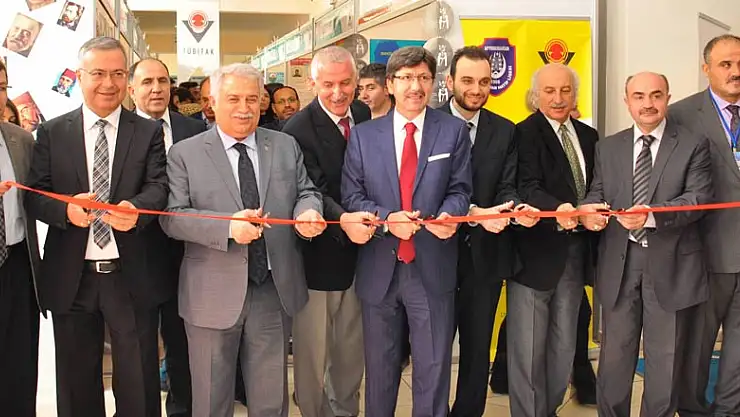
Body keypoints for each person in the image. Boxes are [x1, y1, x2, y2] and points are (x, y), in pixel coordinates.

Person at [160, 62, 326, 417]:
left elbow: (306, 191)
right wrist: (227, 228)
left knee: (270, 401)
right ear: (213, 102)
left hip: (272, 289)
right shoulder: (185, 153)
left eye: (252, 99)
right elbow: (172, 217)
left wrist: (307, 212)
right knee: (211, 399)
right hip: (210, 293)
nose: (244, 108)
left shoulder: (284, 145)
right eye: (233, 99)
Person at [25, 37, 168, 417]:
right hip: (72, 276)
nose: (109, 83)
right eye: (99, 73)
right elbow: (35, 194)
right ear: (80, 76)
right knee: (76, 384)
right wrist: (65, 210)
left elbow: (159, 186)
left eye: (118, 74)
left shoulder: (147, 131)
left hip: (130, 275)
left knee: (138, 381)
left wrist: (136, 209)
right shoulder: (53, 132)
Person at [341, 46, 472, 417]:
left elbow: (461, 190)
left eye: (423, 78)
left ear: (433, 83)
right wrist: (386, 218)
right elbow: (352, 195)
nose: (416, 86)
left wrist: (449, 214)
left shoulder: (452, 131)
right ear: (390, 84)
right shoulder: (364, 136)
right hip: (379, 266)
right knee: (380, 370)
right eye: (406, 78)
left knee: (433, 367)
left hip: (431, 264)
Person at [580, 71, 712, 417]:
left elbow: (697, 199)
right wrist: (589, 213)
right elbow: (598, 192)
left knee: (665, 360)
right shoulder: (608, 147)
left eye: (656, 95)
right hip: (619, 264)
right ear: (627, 101)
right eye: (639, 96)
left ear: (668, 98)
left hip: (672, 264)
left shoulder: (693, 144)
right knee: (614, 360)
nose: (648, 103)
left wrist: (651, 216)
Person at [438, 46, 540, 417]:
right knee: (434, 347)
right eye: (467, 80)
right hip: (437, 253)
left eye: (484, 82)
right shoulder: (429, 124)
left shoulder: (505, 130)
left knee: (478, 346)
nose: (476, 89)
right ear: (450, 81)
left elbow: (507, 185)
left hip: (486, 253)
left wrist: (513, 208)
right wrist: (470, 213)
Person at [282, 46, 372, 417]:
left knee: (351, 346)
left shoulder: (363, 114)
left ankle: (346, 409)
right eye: (328, 84)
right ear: (313, 83)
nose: (338, 93)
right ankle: (313, 410)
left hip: (363, 252)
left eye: (346, 83)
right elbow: (311, 189)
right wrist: (346, 220)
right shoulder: (298, 129)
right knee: (312, 349)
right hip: (319, 254)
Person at [511, 63, 599, 417]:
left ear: (575, 94)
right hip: (535, 255)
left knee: (564, 345)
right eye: (549, 91)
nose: (558, 98)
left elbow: (596, 186)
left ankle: (547, 409)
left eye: (565, 90)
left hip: (575, 254)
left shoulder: (589, 136)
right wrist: (557, 208)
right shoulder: (523, 133)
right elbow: (525, 185)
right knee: (529, 349)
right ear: (536, 96)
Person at [128, 57, 206, 417]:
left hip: (187, 251)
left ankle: (181, 408)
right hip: (139, 250)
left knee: (182, 340)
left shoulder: (194, 129)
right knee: (140, 343)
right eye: (147, 82)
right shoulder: (123, 130)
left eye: (162, 81)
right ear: (132, 89)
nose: (156, 89)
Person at [673, 34, 740, 417]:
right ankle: (693, 410)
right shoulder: (681, 115)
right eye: (726, 64)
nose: (735, 71)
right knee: (696, 346)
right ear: (707, 69)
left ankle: (730, 409)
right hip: (703, 253)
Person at [0, 56, 42, 417]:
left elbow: (39, 196)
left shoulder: (21, 140)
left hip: (16, 264)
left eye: (1, 88)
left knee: (19, 364)